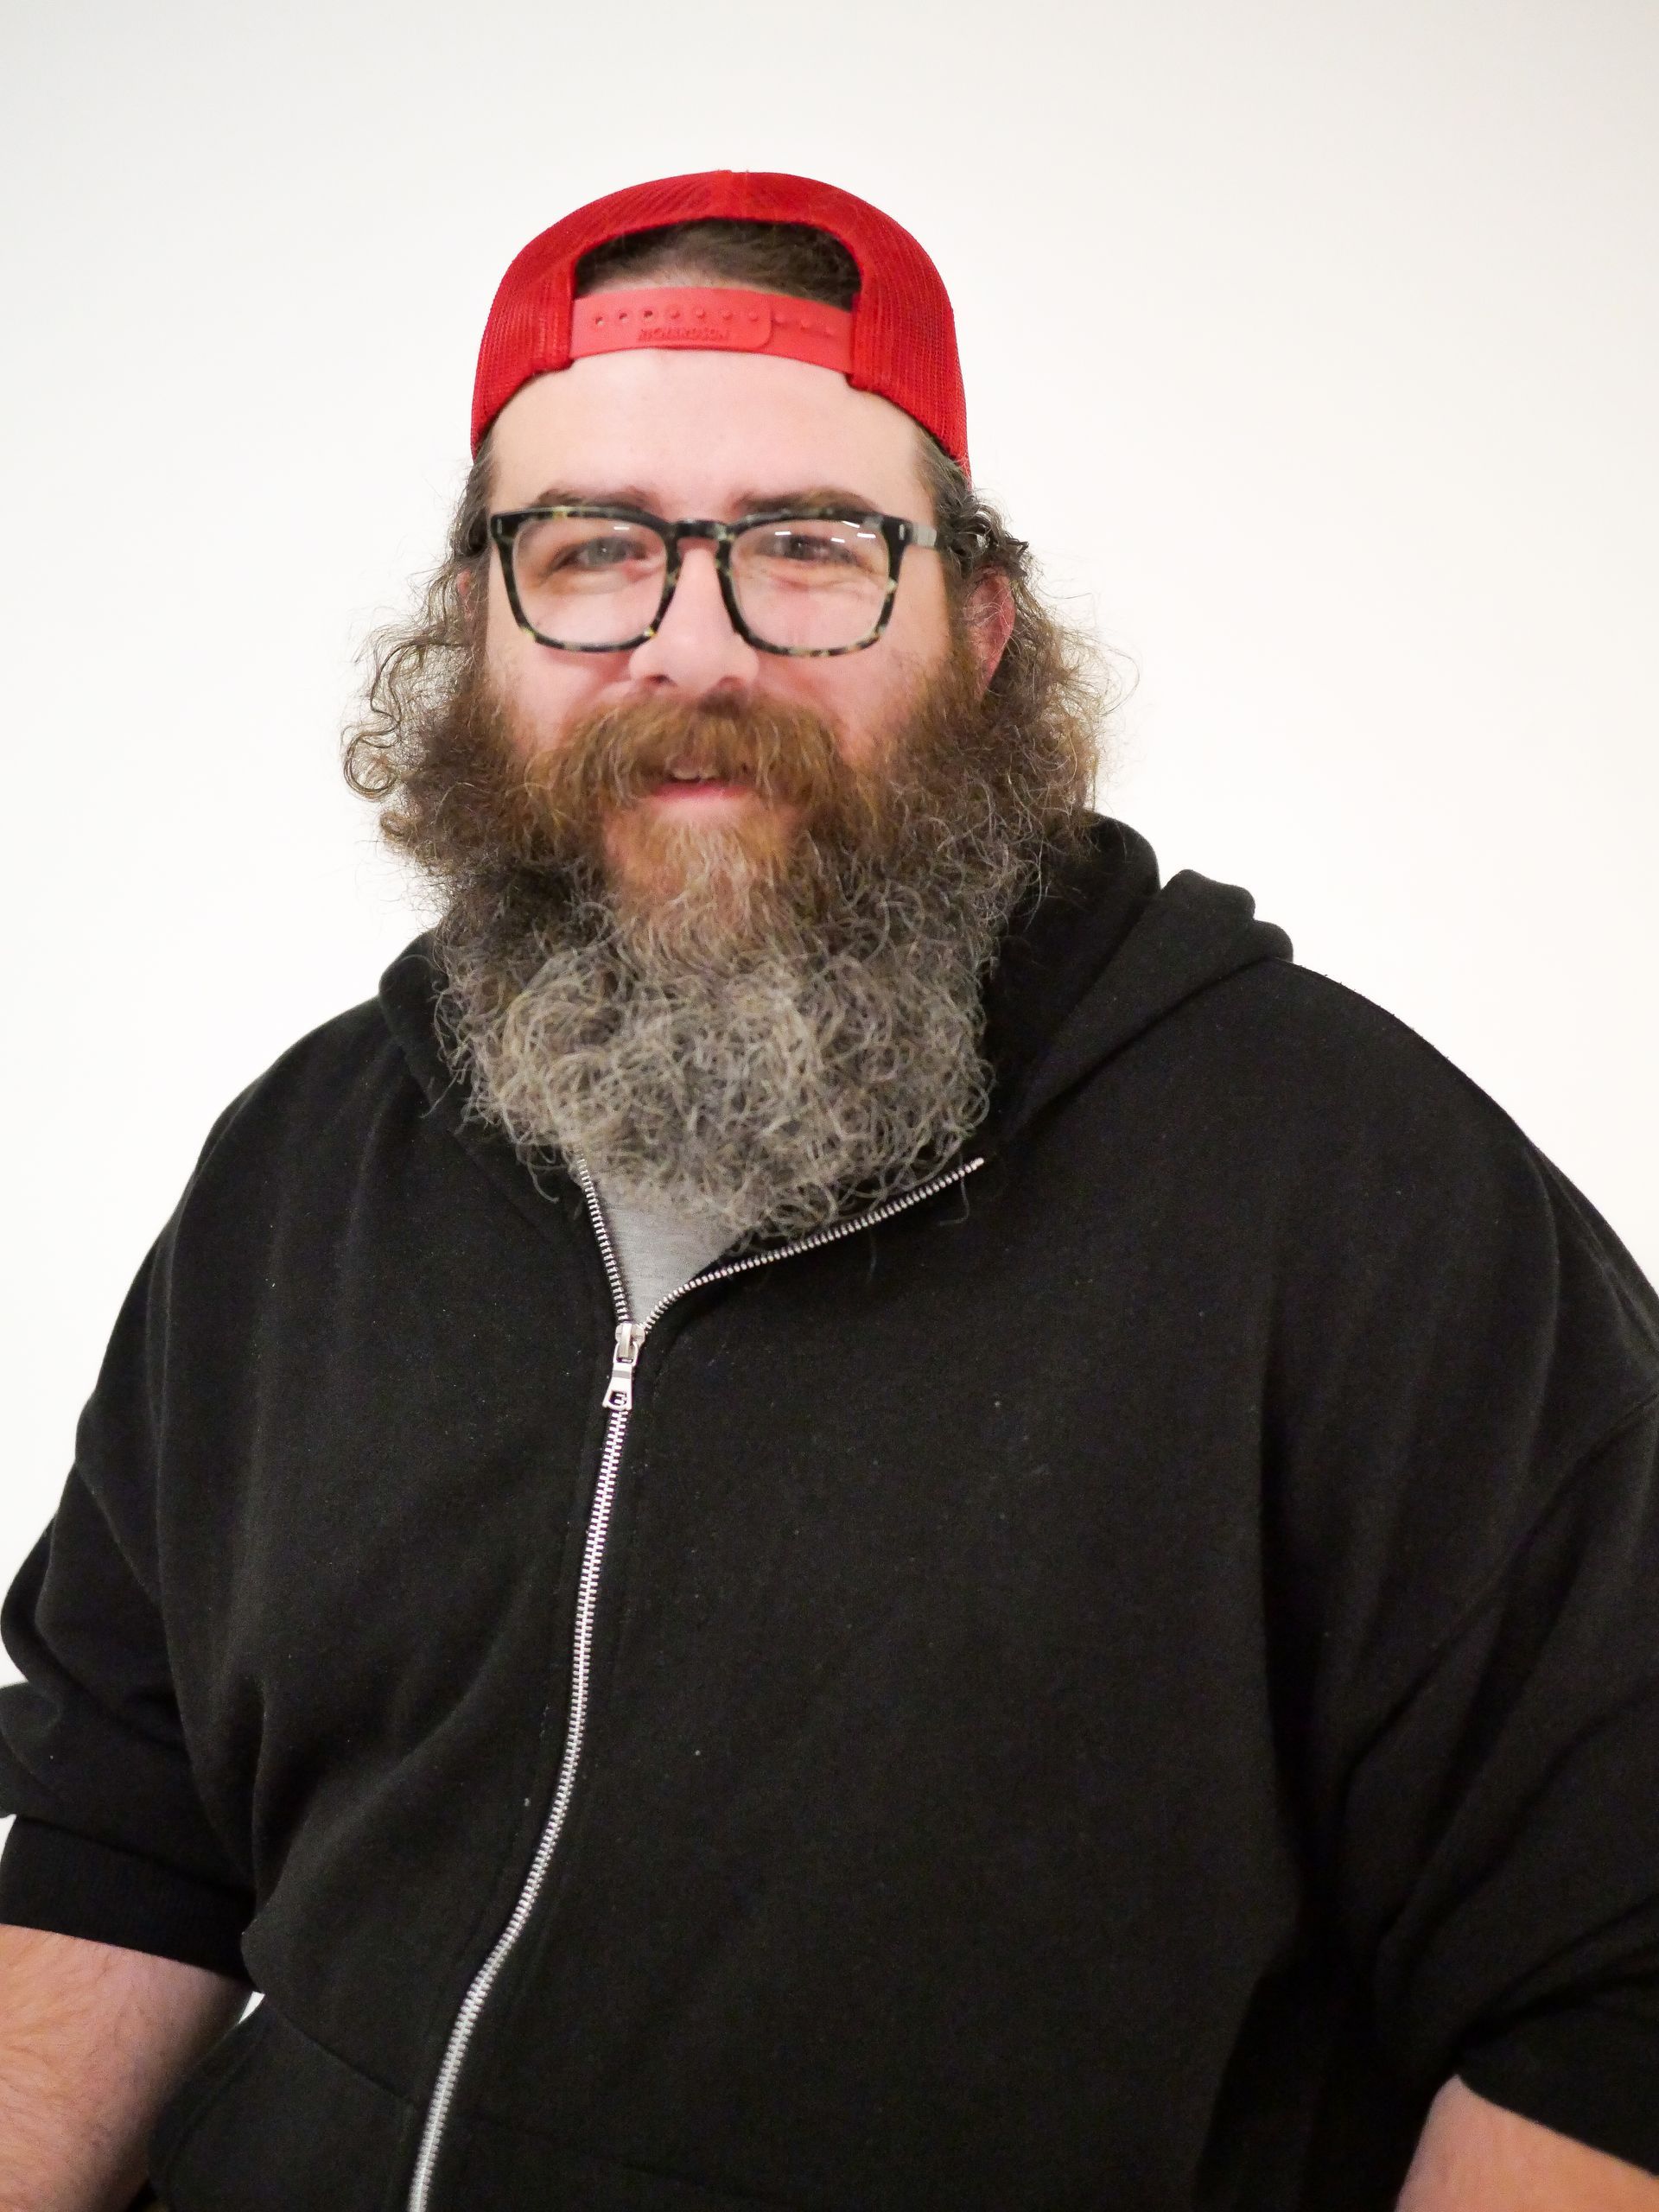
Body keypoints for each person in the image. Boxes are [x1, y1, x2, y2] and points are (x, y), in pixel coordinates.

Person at [0, 168, 1656, 2212]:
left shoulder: (1372, 1206)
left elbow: (1617, 1996)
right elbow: (121, 1807)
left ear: (980, 622)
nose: (694, 649)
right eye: (591, 549)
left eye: (806, 547)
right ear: (480, 627)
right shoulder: (306, 1164)